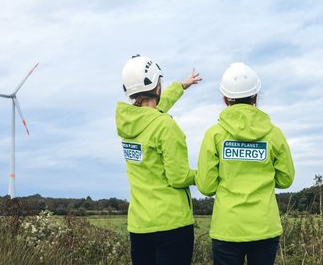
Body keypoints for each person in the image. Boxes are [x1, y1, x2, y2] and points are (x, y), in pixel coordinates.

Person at [196, 62, 295, 265]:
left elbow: (206, 186)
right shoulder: (274, 134)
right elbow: (286, 180)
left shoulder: (214, 134)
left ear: (225, 99)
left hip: (227, 227)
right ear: (255, 97)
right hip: (264, 226)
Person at [115, 54, 202, 265]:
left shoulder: (128, 124)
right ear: (157, 86)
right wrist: (203, 174)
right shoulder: (165, 126)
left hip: (140, 226)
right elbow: (179, 177)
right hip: (171, 225)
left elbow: (154, 109)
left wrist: (181, 86)